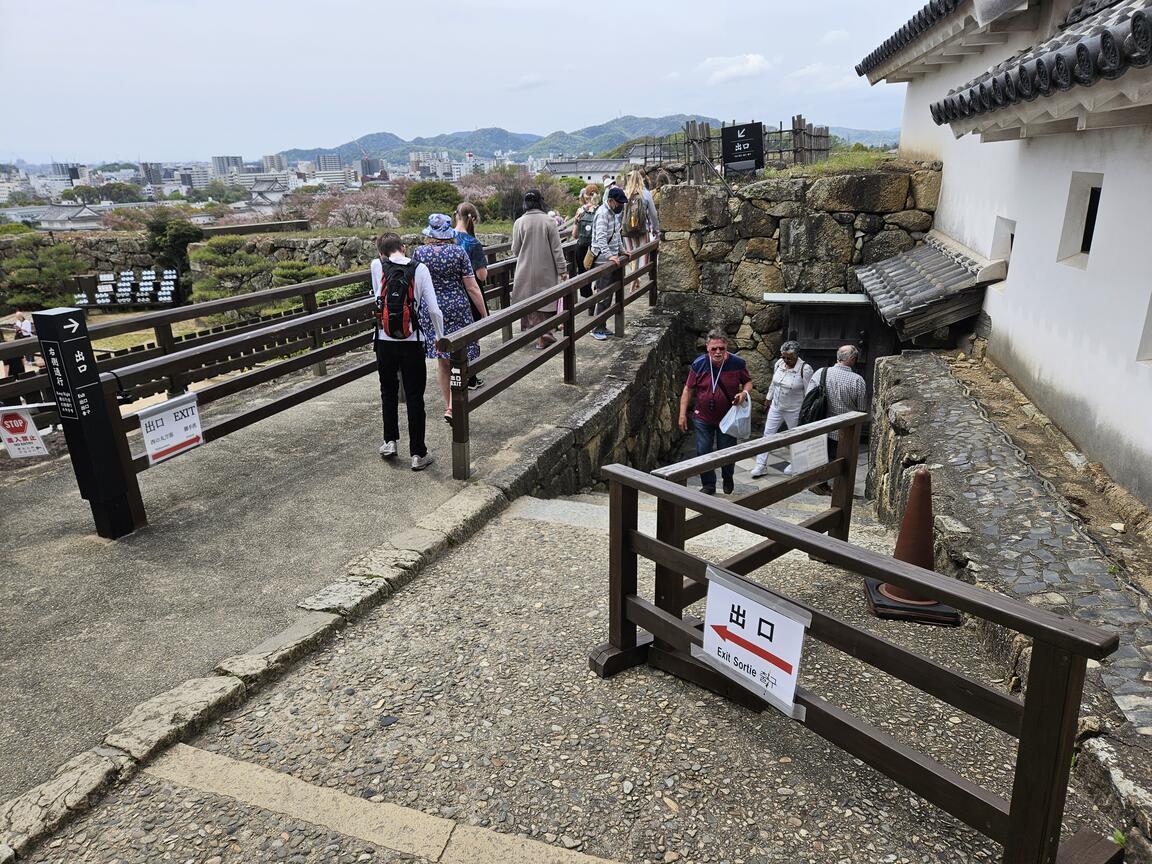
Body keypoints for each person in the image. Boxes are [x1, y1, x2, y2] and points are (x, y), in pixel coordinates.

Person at [371, 232, 445, 471]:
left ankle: (389, 441)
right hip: (412, 340)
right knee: (415, 396)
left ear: (381, 252)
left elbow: (377, 299)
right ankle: (418, 453)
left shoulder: (376, 266)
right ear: (404, 247)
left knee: (388, 391)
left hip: (383, 339)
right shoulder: (420, 268)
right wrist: (439, 336)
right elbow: (433, 309)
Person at [412, 213, 488, 425]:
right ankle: (457, 405)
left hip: (431, 310)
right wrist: (483, 312)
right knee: (460, 357)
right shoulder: (458, 252)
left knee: (442, 359)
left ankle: (450, 405)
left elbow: (416, 285)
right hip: (457, 309)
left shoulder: (419, 253)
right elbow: (472, 287)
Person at [678, 330, 753, 495]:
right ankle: (709, 485)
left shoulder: (737, 363)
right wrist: (682, 414)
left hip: (728, 418)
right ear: (707, 348)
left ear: (726, 347)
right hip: (703, 417)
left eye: (721, 348)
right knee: (703, 451)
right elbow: (688, 389)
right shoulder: (699, 364)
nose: (718, 352)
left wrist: (744, 393)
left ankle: (727, 477)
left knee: (726, 452)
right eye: (714, 349)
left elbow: (747, 382)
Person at [509, 189, 568, 350]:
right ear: (541, 202)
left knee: (530, 303)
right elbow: (557, 250)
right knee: (546, 302)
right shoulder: (549, 221)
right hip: (546, 270)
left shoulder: (519, 222)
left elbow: (515, 250)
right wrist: (562, 270)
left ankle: (540, 336)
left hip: (525, 270)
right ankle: (545, 334)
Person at [806, 344, 867, 494]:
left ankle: (819, 484)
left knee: (821, 456)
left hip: (822, 424)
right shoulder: (857, 381)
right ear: (852, 359)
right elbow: (861, 408)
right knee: (841, 460)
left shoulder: (821, 373)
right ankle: (839, 491)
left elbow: (809, 396)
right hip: (844, 429)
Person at [750, 340, 813, 478]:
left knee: (796, 437)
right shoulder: (779, 364)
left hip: (794, 409)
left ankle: (796, 463)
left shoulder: (805, 369)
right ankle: (761, 465)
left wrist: (805, 410)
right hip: (776, 406)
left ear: (796, 356)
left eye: (789, 358)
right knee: (768, 434)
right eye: (783, 357)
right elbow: (774, 383)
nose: (785, 360)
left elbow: (809, 392)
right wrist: (768, 398)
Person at [453, 202, 488, 390]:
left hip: (449, 294)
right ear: (472, 219)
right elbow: (481, 275)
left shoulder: (446, 239)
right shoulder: (472, 243)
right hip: (470, 293)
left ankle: (455, 375)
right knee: (471, 337)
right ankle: (471, 377)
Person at [589, 186, 629, 341]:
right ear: (611, 201)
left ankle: (602, 325)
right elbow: (600, 238)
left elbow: (616, 235)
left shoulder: (613, 214)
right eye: (619, 203)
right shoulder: (602, 214)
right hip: (602, 260)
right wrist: (609, 256)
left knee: (609, 294)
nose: (621, 206)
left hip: (611, 259)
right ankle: (595, 327)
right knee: (603, 294)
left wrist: (622, 250)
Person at [571, 185, 600, 313]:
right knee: (598, 274)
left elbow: (574, 235)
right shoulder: (602, 210)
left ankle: (589, 300)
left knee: (584, 274)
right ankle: (596, 295)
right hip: (596, 248)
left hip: (582, 248)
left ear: (585, 196)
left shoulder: (580, 210)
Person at [621, 169, 660, 266]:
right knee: (643, 255)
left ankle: (633, 277)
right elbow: (653, 214)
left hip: (627, 230)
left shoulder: (625, 194)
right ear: (641, 179)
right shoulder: (646, 194)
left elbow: (619, 214)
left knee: (631, 256)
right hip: (642, 228)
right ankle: (640, 277)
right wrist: (656, 230)